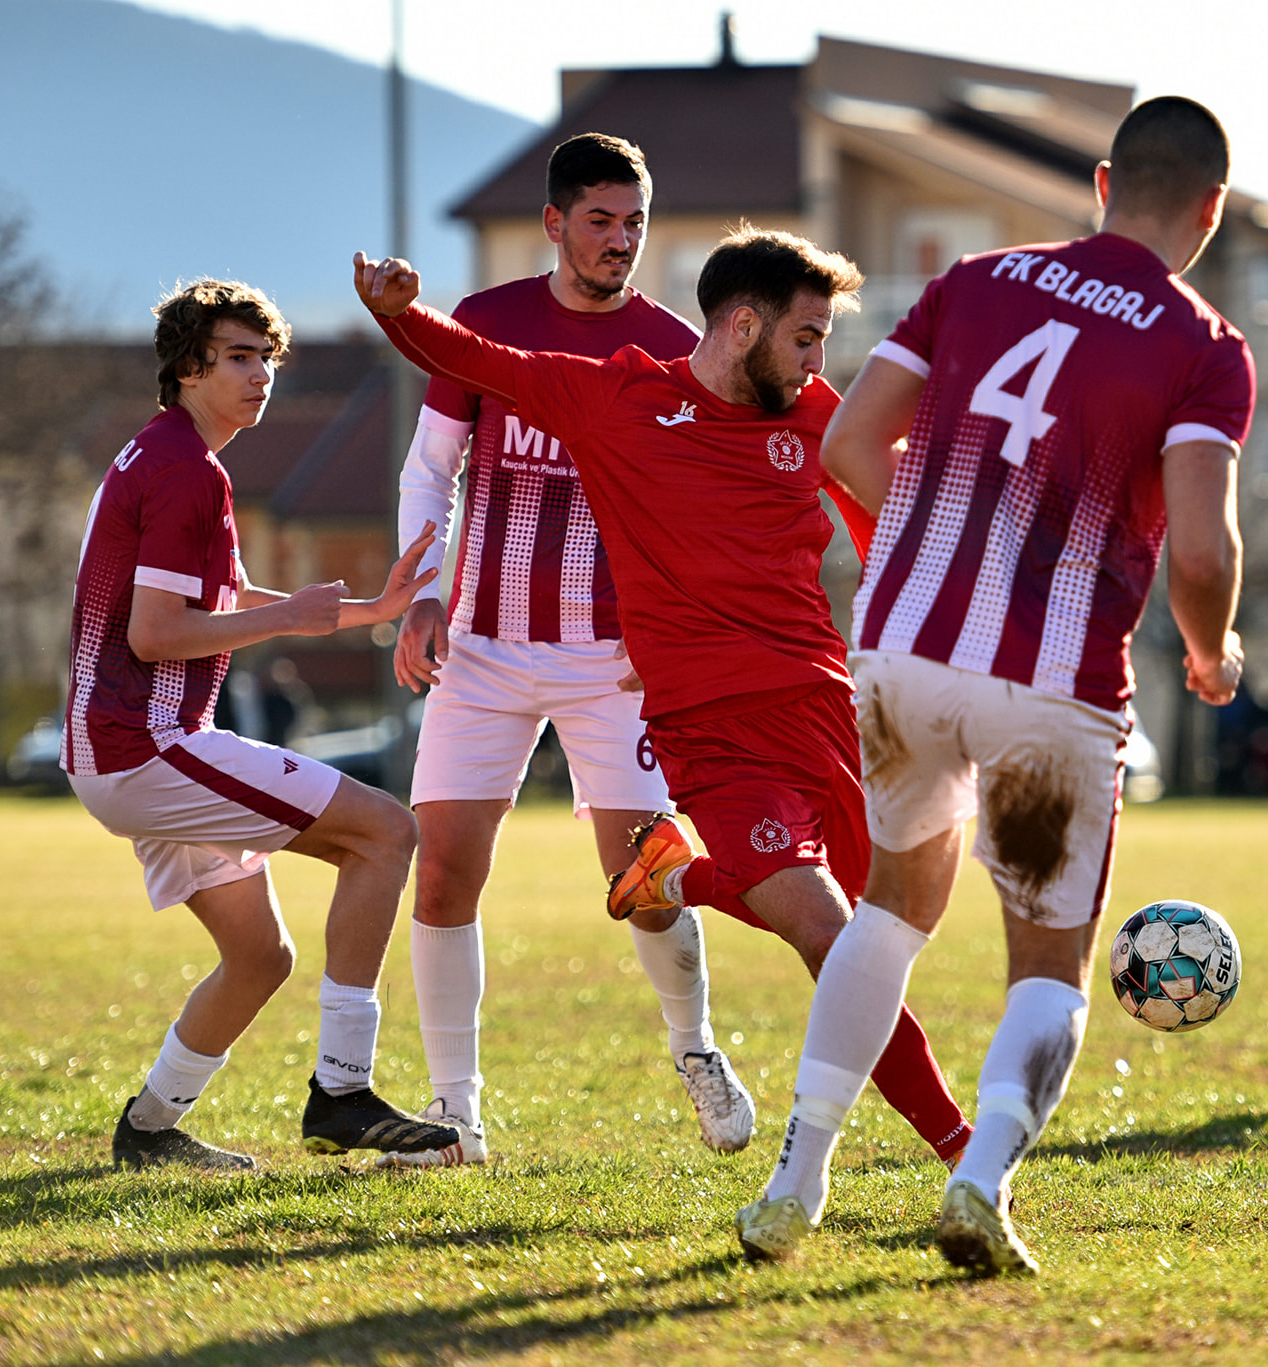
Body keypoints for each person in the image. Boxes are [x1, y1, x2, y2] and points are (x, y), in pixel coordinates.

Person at [740, 95, 1253, 1274]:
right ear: (1210, 207)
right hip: (1051, 685)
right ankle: (979, 1183)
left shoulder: (975, 278)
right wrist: (1212, 646)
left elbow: (849, 447)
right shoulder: (1202, 344)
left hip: (905, 649)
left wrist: (927, 541)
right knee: (1046, 964)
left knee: (888, 909)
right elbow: (1204, 550)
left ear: (1100, 179)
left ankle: (796, 1175)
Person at [351, 231, 975, 1179]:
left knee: (880, 951)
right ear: (742, 324)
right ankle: (965, 1153)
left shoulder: (812, 415)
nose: (819, 363)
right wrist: (396, 311)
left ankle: (676, 876)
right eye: (807, 338)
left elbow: (885, 519)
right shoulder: (620, 398)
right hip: (710, 731)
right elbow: (477, 361)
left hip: (822, 711)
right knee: (832, 938)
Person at [383, 133, 752, 1168]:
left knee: (643, 878)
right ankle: (455, 1114)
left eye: (633, 223)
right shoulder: (486, 325)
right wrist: (418, 593)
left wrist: (671, 625)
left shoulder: (674, 347)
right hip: (483, 650)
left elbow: (692, 509)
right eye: (599, 221)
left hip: (611, 661)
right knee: (445, 872)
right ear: (553, 224)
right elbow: (428, 471)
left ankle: (696, 1049)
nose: (619, 241)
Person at [64, 279, 458, 1170]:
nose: (261, 376)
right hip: (148, 747)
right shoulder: (184, 471)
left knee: (259, 955)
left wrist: (360, 610)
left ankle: (151, 1128)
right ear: (188, 366)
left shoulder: (169, 458)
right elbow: (156, 631)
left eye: (268, 359)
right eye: (240, 357)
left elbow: (226, 598)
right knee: (387, 832)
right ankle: (345, 1092)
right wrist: (292, 620)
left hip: (123, 754)